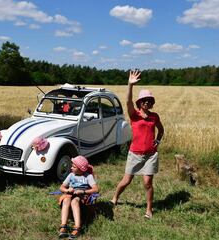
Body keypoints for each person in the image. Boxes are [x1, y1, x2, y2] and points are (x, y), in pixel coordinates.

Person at [111, 70, 164, 219]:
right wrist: (130, 85)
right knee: (127, 180)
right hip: (135, 153)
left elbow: (161, 130)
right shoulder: (134, 115)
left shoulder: (154, 116)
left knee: (147, 182)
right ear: (139, 102)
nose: (146, 102)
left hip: (150, 155)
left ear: (151, 102)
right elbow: (127, 102)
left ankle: (149, 209)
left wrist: (158, 141)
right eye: (144, 100)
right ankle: (115, 197)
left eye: (149, 100)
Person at [58, 156, 99, 239]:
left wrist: (83, 191)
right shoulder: (71, 175)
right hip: (70, 194)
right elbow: (61, 187)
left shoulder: (88, 176)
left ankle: (77, 227)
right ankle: (63, 226)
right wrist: (67, 190)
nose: (71, 168)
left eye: (74, 166)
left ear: (81, 169)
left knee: (74, 201)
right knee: (66, 200)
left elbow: (96, 189)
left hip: (82, 196)